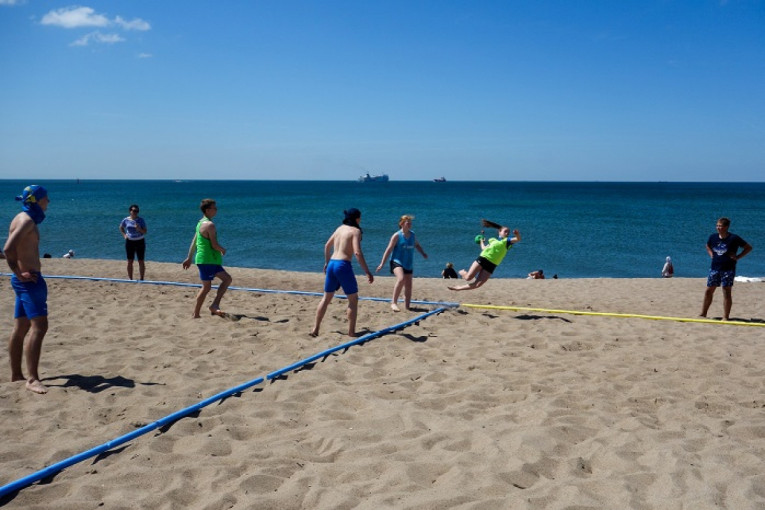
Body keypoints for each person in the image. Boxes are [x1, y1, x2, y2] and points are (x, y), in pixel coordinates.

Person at [4, 185, 51, 394]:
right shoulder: (26, 221)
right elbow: (7, 249)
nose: (48, 202)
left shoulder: (20, 218)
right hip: (29, 281)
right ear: (37, 201)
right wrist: (18, 273)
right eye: (45, 199)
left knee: (21, 326)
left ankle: (16, 374)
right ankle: (32, 379)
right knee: (39, 327)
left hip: (24, 281)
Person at [311, 208, 374, 337]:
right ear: (357, 219)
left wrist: (327, 262)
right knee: (353, 299)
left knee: (326, 298)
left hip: (332, 263)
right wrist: (367, 271)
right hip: (343, 265)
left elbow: (327, 246)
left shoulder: (339, 228)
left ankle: (315, 329)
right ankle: (351, 332)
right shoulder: (355, 231)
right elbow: (357, 252)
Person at [182, 199, 232, 318]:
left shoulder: (200, 222)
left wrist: (189, 258)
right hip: (207, 260)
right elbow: (214, 244)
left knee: (227, 279)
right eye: (214, 208)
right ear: (208, 210)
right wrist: (222, 249)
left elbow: (194, 242)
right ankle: (196, 313)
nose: (216, 210)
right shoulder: (209, 225)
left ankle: (214, 305)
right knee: (206, 287)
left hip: (211, 260)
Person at [700, 217, 752, 321]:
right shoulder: (713, 237)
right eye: (717, 226)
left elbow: (748, 248)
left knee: (726, 291)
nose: (718, 228)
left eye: (720, 226)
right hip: (714, 268)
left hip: (728, 269)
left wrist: (738, 257)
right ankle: (703, 313)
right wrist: (711, 255)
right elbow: (707, 246)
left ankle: (725, 317)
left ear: (726, 227)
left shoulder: (734, 238)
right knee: (709, 290)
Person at [375, 215, 428, 311]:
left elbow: (417, 245)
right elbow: (388, 249)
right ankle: (393, 303)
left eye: (410, 223)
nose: (410, 224)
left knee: (408, 286)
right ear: (402, 224)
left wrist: (423, 253)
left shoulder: (412, 235)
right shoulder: (397, 235)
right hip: (396, 261)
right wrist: (382, 263)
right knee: (401, 279)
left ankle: (407, 306)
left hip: (408, 263)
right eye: (408, 223)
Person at [448, 223, 521, 291]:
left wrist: (517, 234)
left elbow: (518, 239)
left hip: (492, 264)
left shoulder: (507, 241)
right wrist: (481, 241)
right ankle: (463, 272)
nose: (507, 233)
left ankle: (458, 288)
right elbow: (484, 249)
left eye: (508, 232)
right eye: (505, 231)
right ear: (499, 232)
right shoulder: (492, 240)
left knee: (478, 284)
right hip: (483, 259)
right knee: (468, 278)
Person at [119, 204, 147, 280]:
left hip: (140, 241)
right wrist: (124, 235)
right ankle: (130, 279)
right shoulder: (126, 220)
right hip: (130, 242)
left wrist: (139, 229)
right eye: (134, 211)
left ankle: (141, 279)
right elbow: (121, 227)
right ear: (130, 211)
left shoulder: (141, 220)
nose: (135, 212)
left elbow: (145, 231)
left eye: (137, 211)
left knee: (141, 261)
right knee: (129, 261)